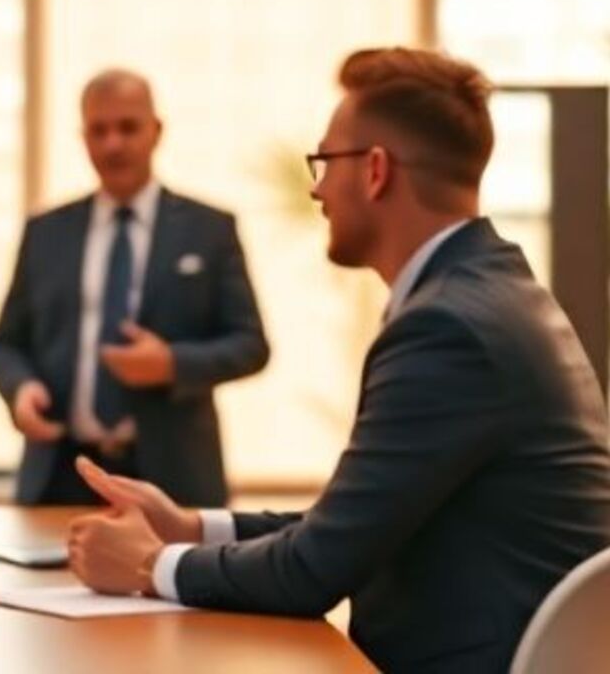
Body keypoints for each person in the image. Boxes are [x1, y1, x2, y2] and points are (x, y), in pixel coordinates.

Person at [65, 47, 610, 673]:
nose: (316, 187)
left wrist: (146, 564)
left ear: (375, 171)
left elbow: (312, 571)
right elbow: (350, 523)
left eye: (325, 162)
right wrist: (189, 526)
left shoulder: (447, 327)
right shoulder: (485, 292)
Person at [0, 69, 269, 506]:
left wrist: (171, 363)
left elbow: (250, 345)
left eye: (127, 128)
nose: (113, 144)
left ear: (156, 131)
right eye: (98, 131)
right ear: (83, 137)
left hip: (174, 480)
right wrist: (21, 389)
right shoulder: (46, 232)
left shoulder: (209, 230)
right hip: (61, 476)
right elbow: (6, 344)